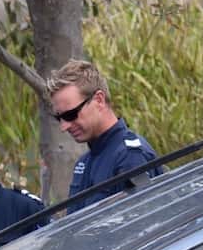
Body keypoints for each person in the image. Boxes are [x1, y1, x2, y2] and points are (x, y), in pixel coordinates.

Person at [46, 60, 162, 214]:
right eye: (58, 118)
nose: (64, 126)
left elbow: (148, 225)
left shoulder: (130, 157)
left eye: (70, 115)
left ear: (99, 100)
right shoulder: (84, 163)